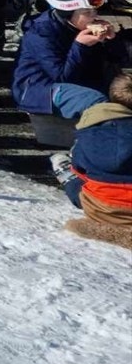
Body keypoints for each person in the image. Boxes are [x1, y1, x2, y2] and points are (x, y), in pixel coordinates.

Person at [12, 0, 124, 119]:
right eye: (87, 12)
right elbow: (62, 77)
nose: (94, 16)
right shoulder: (41, 33)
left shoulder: (80, 26)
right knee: (96, 102)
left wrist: (111, 40)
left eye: (94, 11)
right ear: (67, 14)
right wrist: (81, 45)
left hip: (83, 82)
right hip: (42, 89)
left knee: (125, 92)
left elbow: (118, 60)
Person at [56, 70, 132, 251]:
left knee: (79, 184)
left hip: (100, 209)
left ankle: (64, 173)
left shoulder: (90, 131)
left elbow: (80, 167)